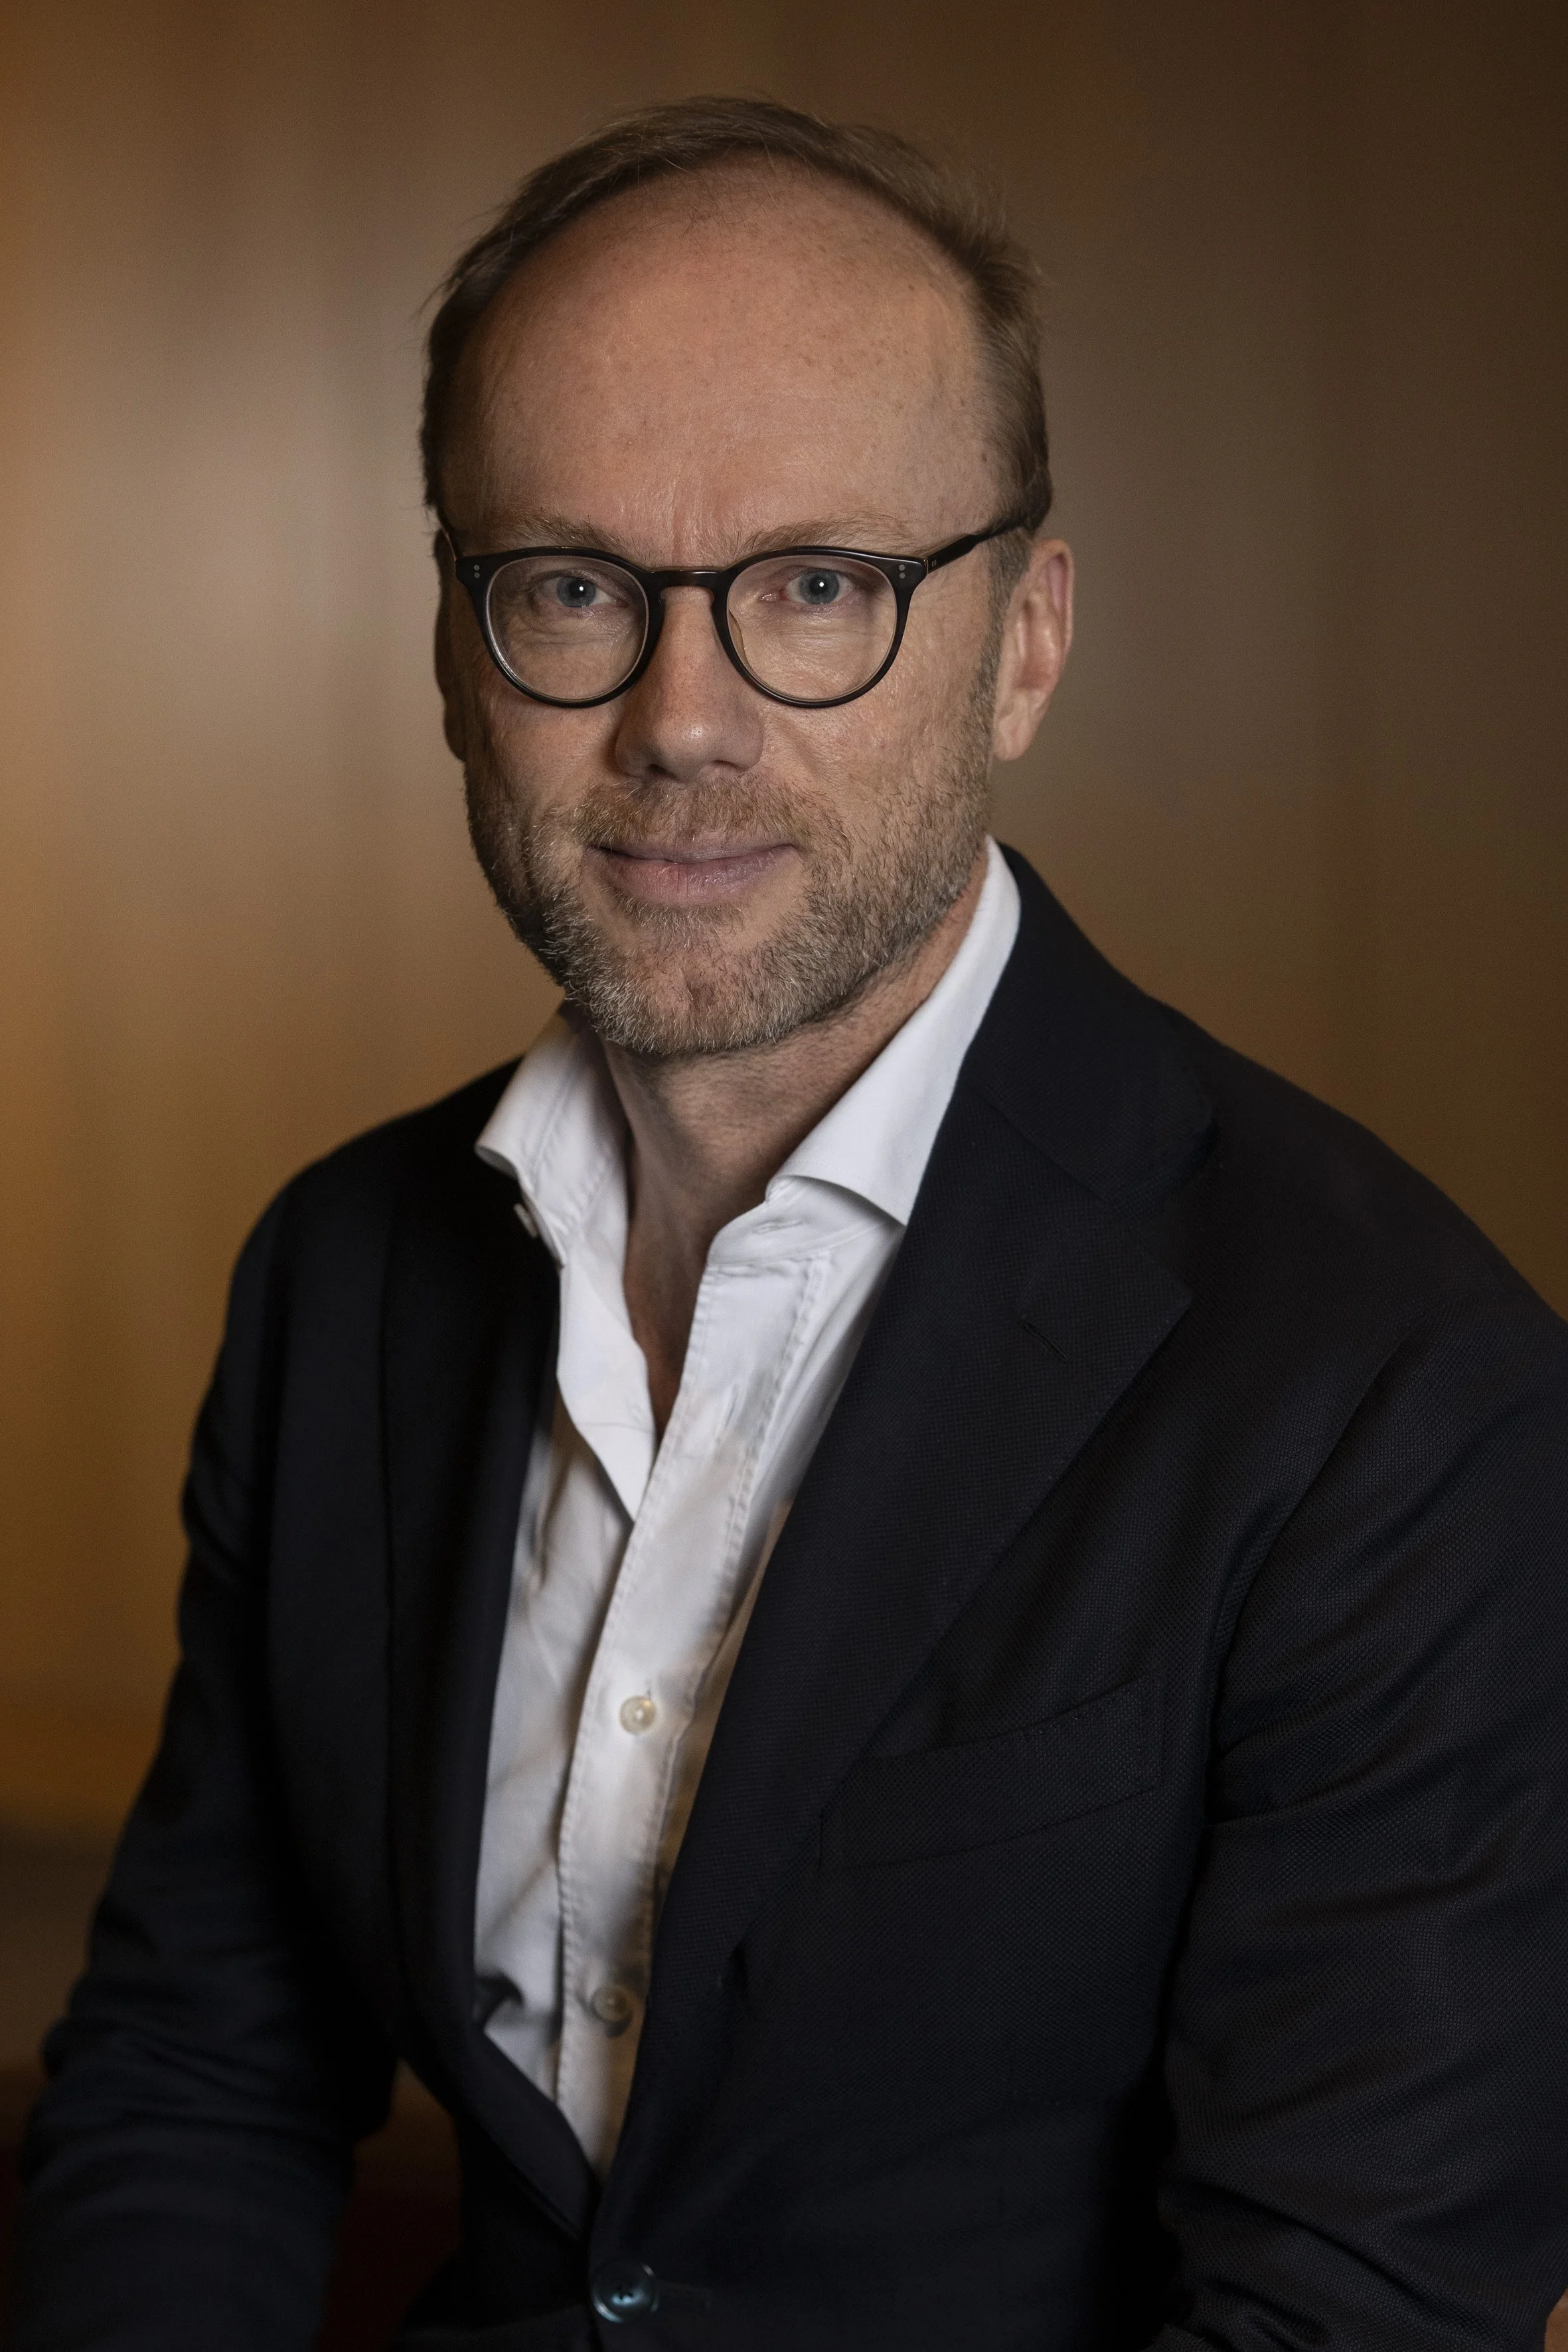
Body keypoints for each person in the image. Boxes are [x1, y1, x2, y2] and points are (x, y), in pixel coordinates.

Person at [8, 94, 1568, 2352]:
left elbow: (1346, 2324)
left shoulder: (1400, 1401)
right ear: (456, 656)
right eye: (571, 586)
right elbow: (196, 2070)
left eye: (818, 588)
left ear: (1026, 642)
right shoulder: (337, 1279)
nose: (685, 718)